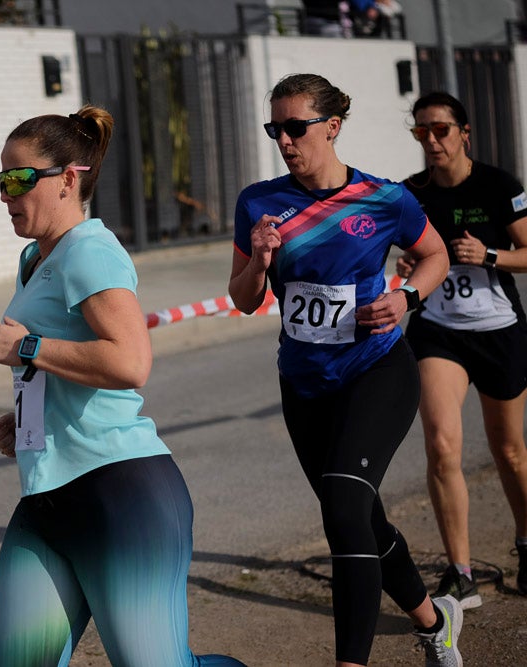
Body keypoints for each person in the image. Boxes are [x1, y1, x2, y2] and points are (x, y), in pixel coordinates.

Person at [0, 105, 246, 667]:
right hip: (47, 497)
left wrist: (26, 348)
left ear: (69, 178)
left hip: (120, 494)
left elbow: (130, 362)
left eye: (19, 178)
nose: (6, 194)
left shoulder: (90, 251)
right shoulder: (36, 257)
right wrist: (31, 419)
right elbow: (71, 360)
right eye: (1, 180)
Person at [228, 73, 458, 667]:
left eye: (295, 127)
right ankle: (435, 622)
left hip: (376, 369)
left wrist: (407, 297)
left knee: (343, 508)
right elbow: (245, 298)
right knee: (358, 513)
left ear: (331, 127)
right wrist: (259, 259)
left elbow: (435, 254)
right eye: (274, 128)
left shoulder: (384, 199)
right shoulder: (258, 202)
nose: (283, 139)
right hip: (304, 382)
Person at [397, 91, 527, 606]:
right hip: (439, 332)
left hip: (498, 330)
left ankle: (526, 542)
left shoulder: (499, 185)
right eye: (421, 132)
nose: (431, 140)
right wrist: (409, 268)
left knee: (509, 451)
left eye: (440, 130)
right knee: (442, 444)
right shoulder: (410, 194)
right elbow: (408, 256)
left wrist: (489, 254)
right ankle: (461, 571)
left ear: (464, 132)